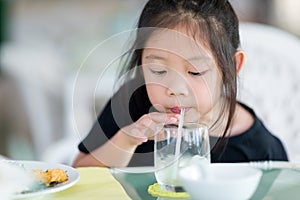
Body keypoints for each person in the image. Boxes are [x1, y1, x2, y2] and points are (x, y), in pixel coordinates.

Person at [73, 0, 288, 168]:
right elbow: (79, 173)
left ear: (232, 68)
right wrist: (126, 141)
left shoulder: (260, 149)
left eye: (195, 72)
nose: (174, 89)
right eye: (158, 71)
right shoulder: (132, 103)